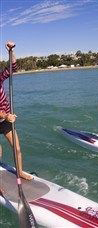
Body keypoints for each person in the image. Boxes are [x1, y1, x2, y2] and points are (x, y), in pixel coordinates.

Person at [0, 41, 32, 180]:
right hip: (4, 118)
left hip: (5, 121)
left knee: (17, 149)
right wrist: (6, 116)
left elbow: (12, 68)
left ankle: (19, 172)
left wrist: (11, 51)